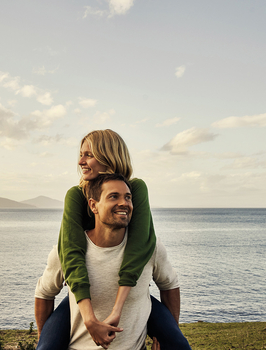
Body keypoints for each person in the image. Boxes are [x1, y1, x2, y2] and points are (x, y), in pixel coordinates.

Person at [35, 174, 191, 350]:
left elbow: (169, 284)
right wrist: (44, 339)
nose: (124, 203)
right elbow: (44, 293)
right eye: (113, 196)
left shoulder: (150, 248)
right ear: (93, 205)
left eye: (128, 197)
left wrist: (167, 337)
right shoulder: (66, 252)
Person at [57, 129, 157, 347]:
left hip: (133, 296)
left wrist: (117, 310)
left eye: (88, 155)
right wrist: (89, 319)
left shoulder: (135, 189)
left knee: (177, 343)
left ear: (109, 157)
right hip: (80, 295)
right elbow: (71, 254)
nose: (81, 161)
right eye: (81, 154)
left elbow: (138, 248)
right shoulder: (76, 195)